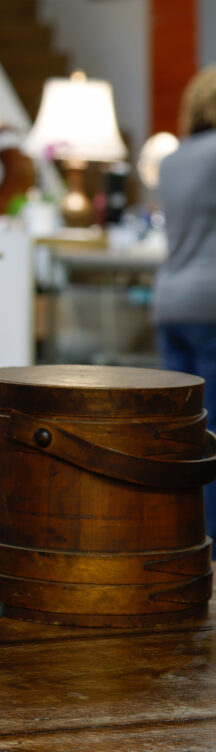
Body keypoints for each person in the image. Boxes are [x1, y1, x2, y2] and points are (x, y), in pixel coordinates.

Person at [153, 65, 216, 554]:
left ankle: (179, 541)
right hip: (211, 305)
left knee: (181, 436)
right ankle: (209, 549)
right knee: (214, 438)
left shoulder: (172, 160)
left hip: (170, 304)